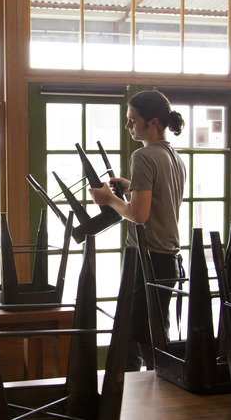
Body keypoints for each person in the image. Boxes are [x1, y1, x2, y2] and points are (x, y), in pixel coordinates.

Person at [88, 90, 186, 371]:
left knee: (144, 340)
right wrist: (131, 186)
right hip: (167, 259)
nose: (128, 126)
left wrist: (109, 199)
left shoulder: (143, 156)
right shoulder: (174, 157)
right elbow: (160, 197)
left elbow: (139, 215)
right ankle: (136, 400)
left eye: (133, 121)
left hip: (148, 259)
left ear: (153, 122)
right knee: (140, 335)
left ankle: (139, 402)